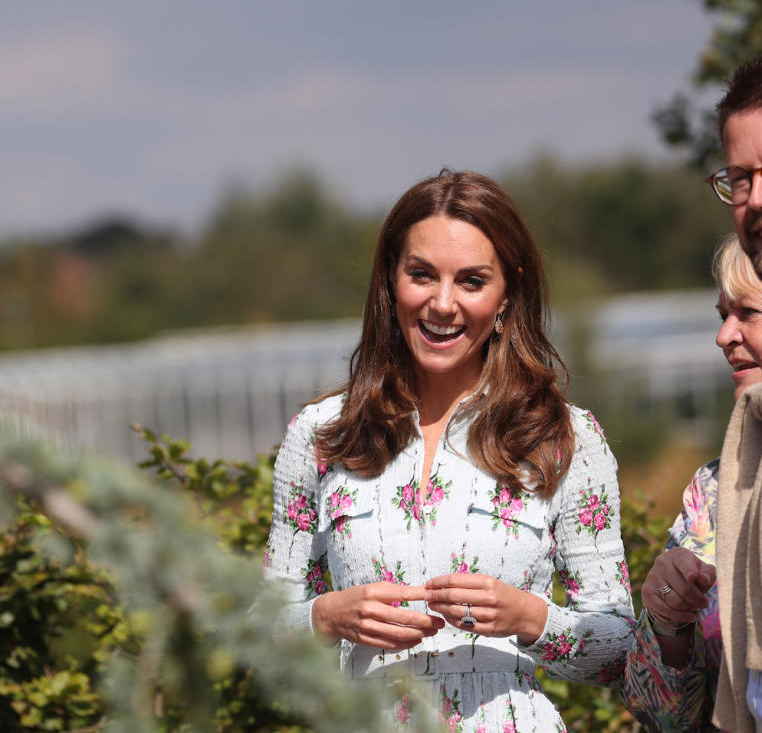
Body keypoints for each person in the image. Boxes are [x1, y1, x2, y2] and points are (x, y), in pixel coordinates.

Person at [261, 169, 635, 730]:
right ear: (390, 278)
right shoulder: (321, 435)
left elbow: (619, 650)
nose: (442, 303)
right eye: (422, 274)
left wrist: (530, 617)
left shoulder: (565, 438)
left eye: (471, 281)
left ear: (508, 291)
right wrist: (327, 615)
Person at [622, 236, 758, 731]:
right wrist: (668, 622)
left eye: (747, 313)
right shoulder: (712, 492)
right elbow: (660, 715)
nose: (724, 336)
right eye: (722, 314)